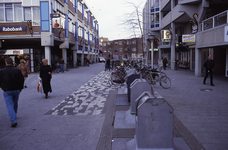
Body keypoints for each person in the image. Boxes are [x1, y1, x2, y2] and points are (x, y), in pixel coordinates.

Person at [0, 57, 24, 127]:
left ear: (6, 62)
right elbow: (21, 79)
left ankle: (13, 120)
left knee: (9, 105)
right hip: (16, 89)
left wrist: (2, 86)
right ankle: (14, 115)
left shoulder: (2, 71)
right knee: (15, 103)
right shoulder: (17, 70)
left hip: (7, 90)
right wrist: (20, 87)